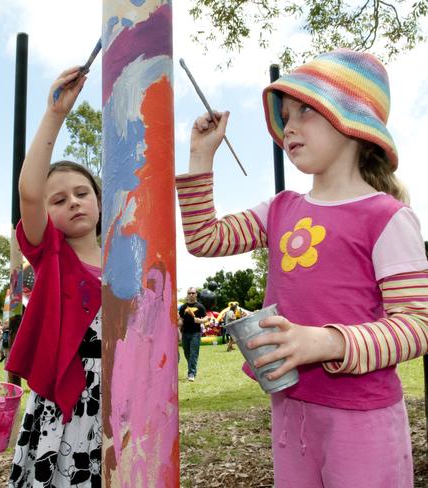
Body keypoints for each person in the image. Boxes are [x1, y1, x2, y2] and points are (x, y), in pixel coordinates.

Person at [175, 49, 428, 487]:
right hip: (290, 409)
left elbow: (416, 326)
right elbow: (204, 239)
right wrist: (201, 156)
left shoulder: (387, 217)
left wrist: (326, 342)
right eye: (286, 115)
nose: (288, 126)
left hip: (363, 418)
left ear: (352, 121)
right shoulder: (280, 209)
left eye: (305, 110)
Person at [6, 66, 102, 487]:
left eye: (82, 193)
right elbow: (29, 191)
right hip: (67, 394)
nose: (74, 203)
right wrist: (55, 115)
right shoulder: (52, 253)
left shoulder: (125, 258)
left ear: (100, 199)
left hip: (120, 393)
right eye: (59, 200)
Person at [178, 288, 208, 382]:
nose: (191, 294)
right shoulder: (183, 307)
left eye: (193, 293)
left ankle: (191, 373)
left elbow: (207, 318)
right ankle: (192, 369)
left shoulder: (200, 306)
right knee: (187, 354)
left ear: (196, 295)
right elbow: (181, 319)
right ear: (187, 295)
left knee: (193, 354)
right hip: (185, 333)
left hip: (196, 333)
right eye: (189, 293)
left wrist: (200, 320)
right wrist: (179, 322)